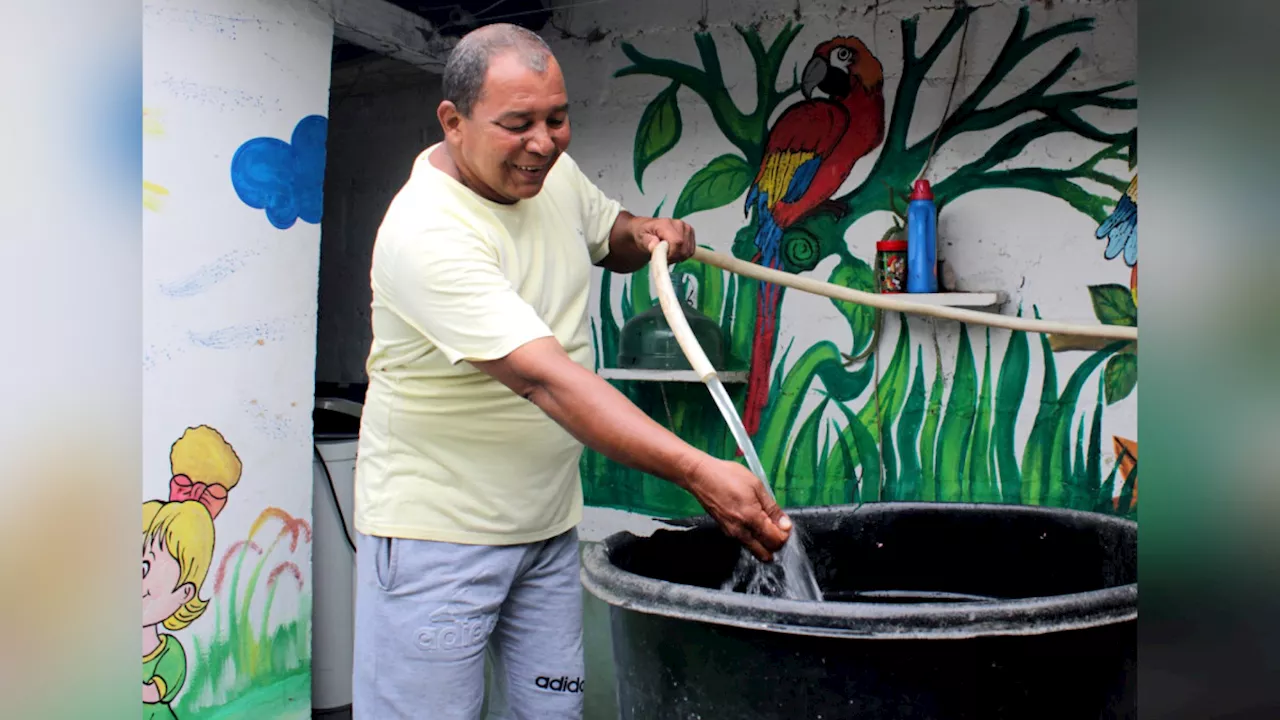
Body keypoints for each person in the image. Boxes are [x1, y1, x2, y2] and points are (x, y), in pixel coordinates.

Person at [352, 22, 792, 719]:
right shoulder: (428, 233)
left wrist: (644, 231)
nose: (544, 142)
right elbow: (546, 381)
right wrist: (699, 472)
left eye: (557, 119)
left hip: (547, 527)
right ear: (453, 121)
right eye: (518, 124)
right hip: (440, 538)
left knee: (553, 714)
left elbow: (604, 233)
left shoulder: (546, 172)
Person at [142, 425, 241, 719]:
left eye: (214, 492)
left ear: (186, 593)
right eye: (185, 483)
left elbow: (155, 691)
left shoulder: (170, 654)